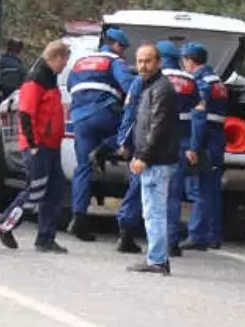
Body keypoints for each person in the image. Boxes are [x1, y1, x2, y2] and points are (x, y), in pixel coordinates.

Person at [0, 40, 72, 253]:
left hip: (51, 144)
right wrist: (32, 143)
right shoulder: (36, 79)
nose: (64, 66)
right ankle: (5, 224)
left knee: (55, 191)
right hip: (37, 145)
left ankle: (45, 237)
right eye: (64, 62)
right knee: (35, 190)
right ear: (56, 58)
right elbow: (26, 113)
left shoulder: (50, 79)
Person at [65, 27, 135, 241]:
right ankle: (104, 149)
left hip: (79, 119)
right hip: (104, 114)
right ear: (114, 44)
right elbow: (130, 86)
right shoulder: (114, 61)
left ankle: (79, 218)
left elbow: (69, 86)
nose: (123, 53)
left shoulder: (79, 63)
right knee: (133, 131)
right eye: (122, 48)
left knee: (82, 168)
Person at [125, 42, 181, 275]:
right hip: (153, 159)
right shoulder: (149, 87)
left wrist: (143, 156)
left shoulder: (161, 89)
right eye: (139, 61)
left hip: (157, 161)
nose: (143, 65)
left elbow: (157, 126)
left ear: (158, 62)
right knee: (151, 211)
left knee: (154, 212)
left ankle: (157, 260)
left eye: (148, 61)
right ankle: (157, 257)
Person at [181, 41, 230, 251]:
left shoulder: (200, 82)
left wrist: (193, 146)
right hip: (217, 139)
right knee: (212, 189)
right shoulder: (217, 81)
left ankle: (197, 235)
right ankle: (213, 234)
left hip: (205, 139)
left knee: (200, 188)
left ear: (189, 61)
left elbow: (199, 116)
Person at [156, 40, 199, 258]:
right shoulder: (190, 80)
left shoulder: (154, 79)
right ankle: (171, 242)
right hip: (181, 143)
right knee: (173, 194)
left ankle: (153, 242)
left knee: (152, 193)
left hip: (156, 143)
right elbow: (197, 112)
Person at [112, 75, 144, 253]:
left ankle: (126, 231)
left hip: (142, 143)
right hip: (169, 146)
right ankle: (170, 242)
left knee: (137, 187)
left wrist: (123, 142)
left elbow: (130, 114)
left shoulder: (140, 82)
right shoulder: (186, 81)